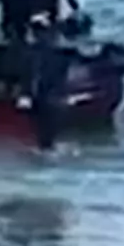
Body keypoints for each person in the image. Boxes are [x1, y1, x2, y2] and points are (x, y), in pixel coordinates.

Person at [25, 22, 71, 153]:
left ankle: (45, 146)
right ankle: (46, 146)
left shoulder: (35, 51)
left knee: (45, 124)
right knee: (46, 125)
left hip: (48, 93)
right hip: (49, 93)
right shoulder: (59, 52)